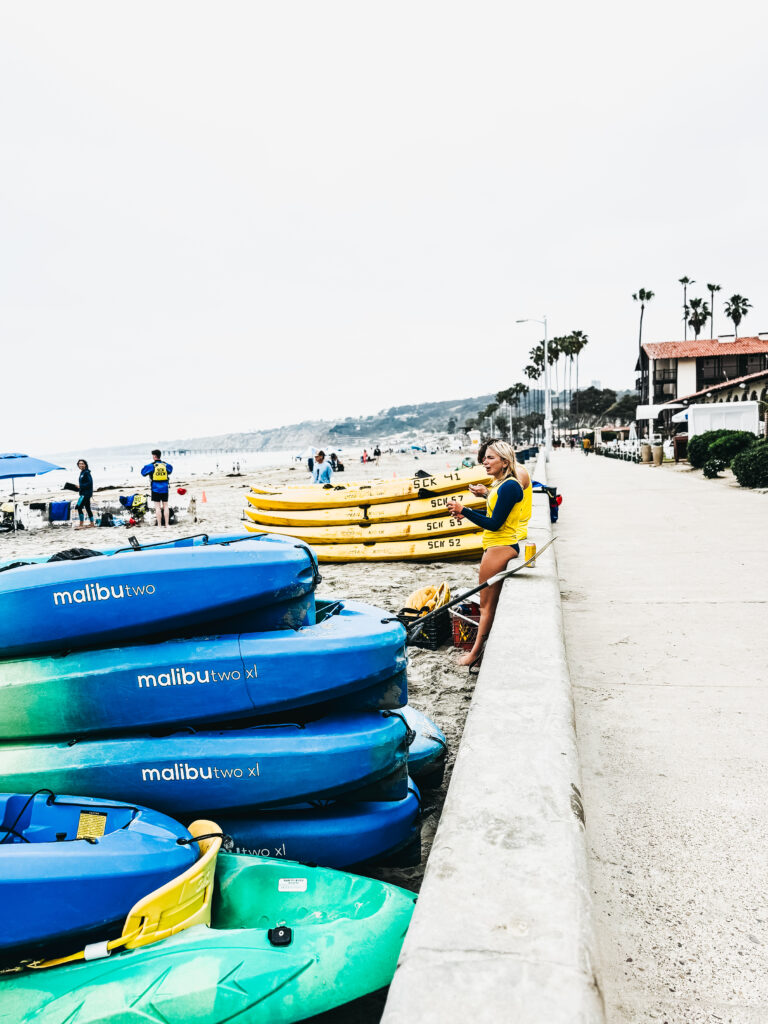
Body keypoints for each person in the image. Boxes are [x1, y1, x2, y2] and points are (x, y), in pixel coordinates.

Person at [446, 440, 531, 667]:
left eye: (490, 457)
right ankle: (479, 651)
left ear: (505, 461)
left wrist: (465, 510)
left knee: (486, 607)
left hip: (500, 547)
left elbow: (494, 524)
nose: (485, 461)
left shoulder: (510, 486)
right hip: (497, 546)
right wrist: (473, 509)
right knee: (487, 605)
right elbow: (496, 513)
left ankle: (474, 655)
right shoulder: (501, 484)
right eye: (484, 458)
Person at [141, 449, 173, 526]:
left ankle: (159, 525)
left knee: (157, 507)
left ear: (154, 456)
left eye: (153, 456)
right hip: (165, 488)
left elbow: (143, 472)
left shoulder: (151, 466)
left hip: (155, 488)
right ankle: (167, 524)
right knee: (165, 506)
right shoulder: (166, 465)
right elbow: (170, 470)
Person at [74, 459, 95, 529]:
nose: (81, 465)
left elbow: (89, 483)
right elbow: (84, 483)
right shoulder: (82, 472)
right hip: (83, 493)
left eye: (82, 463)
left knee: (79, 507)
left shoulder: (86, 472)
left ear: (85, 465)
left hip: (86, 494)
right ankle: (92, 523)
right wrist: (78, 488)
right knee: (88, 508)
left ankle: (81, 524)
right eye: (79, 464)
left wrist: (81, 486)